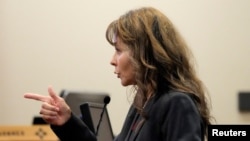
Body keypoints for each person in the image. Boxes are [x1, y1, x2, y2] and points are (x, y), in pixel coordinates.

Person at [24, 6, 212, 141]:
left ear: (144, 53)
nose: (112, 60)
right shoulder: (143, 99)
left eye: (119, 50)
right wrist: (66, 121)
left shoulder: (176, 103)